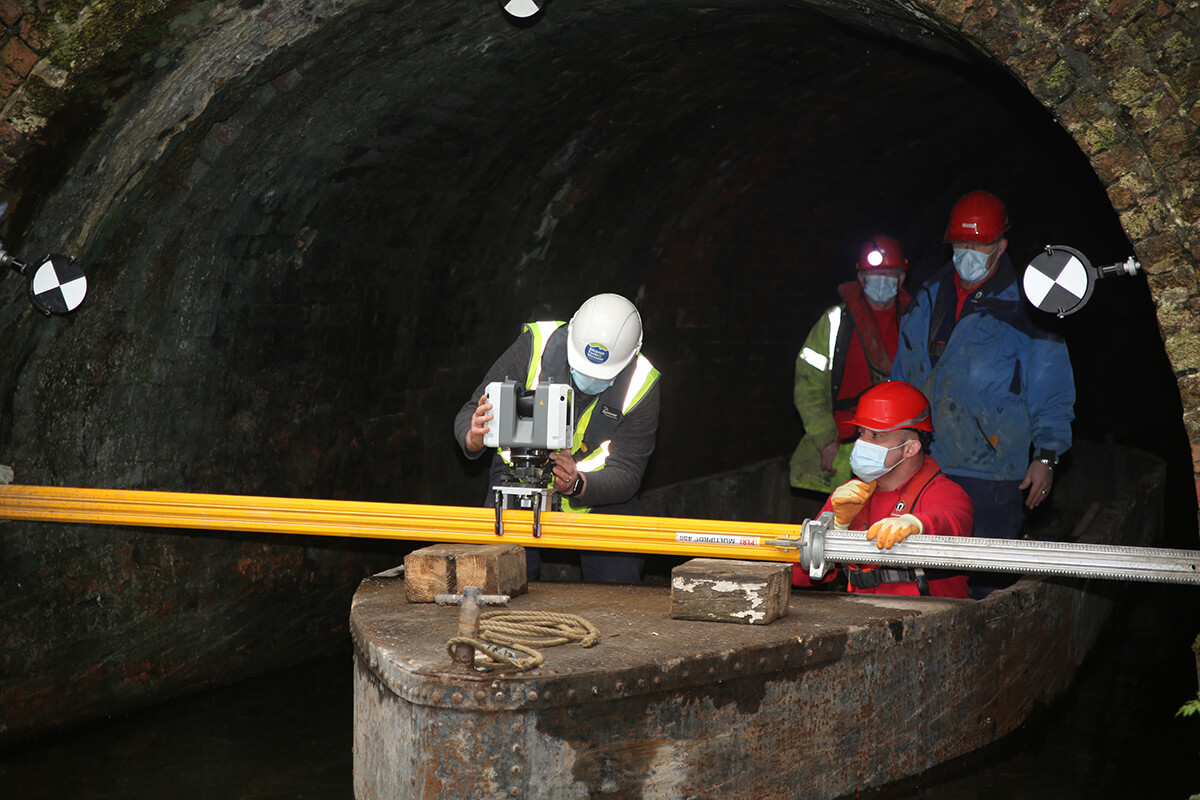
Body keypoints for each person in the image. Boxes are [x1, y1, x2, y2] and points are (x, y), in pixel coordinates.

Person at [891, 190, 1075, 597]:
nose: (967, 253)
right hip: (925, 463)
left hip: (992, 473)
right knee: (920, 572)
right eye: (961, 245)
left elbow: (1052, 390)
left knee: (984, 580)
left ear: (1001, 246)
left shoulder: (1028, 309)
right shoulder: (926, 299)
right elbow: (901, 377)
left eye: (979, 245)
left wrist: (1046, 456)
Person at [454, 293, 661, 583]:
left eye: (600, 375)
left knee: (618, 578)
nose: (588, 379)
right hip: (517, 480)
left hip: (597, 492)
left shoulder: (642, 386)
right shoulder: (536, 345)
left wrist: (579, 483)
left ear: (631, 357)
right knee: (502, 576)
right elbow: (471, 409)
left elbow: (627, 471)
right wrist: (473, 436)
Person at [792, 381, 973, 598]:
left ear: (910, 448)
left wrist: (916, 524)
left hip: (932, 622)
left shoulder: (942, 492)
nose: (861, 442)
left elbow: (952, 521)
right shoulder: (848, 497)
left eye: (875, 435)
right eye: (861, 432)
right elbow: (798, 576)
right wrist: (835, 529)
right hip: (864, 619)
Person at [790, 235, 912, 495]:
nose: (881, 281)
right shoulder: (836, 322)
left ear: (901, 278)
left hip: (900, 447)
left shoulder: (917, 323)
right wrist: (825, 441)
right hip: (847, 446)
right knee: (844, 525)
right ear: (861, 278)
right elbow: (807, 385)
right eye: (873, 274)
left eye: (889, 274)